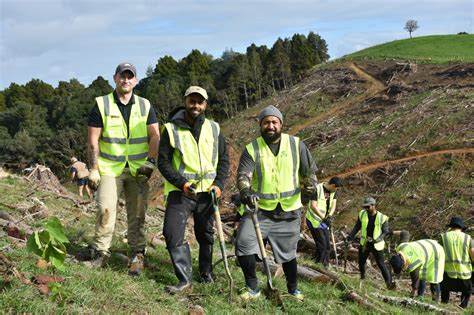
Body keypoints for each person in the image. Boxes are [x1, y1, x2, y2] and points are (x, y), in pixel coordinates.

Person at [235, 105, 318, 301]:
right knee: (243, 244)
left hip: (289, 211)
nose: (270, 125)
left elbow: (309, 174)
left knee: (288, 254)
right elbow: (243, 176)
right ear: (260, 125)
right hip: (258, 210)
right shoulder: (252, 148)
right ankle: (252, 287)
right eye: (266, 122)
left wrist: (310, 187)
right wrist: (245, 191)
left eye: (274, 122)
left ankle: (293, 289)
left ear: (281, 124)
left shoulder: (297, 145)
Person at [86, 62, 160, 276]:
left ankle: (137, 256)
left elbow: (155, 135)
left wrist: (151, 161)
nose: (126, 80)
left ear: (135, 81)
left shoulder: (145, 105)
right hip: (110, 168)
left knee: (138, 215)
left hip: (138, 170)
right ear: (115, 78)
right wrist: (93, 168)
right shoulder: (101, 105)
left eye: (130, 77)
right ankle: (100, 253)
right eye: (122, 76)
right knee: (105, 209)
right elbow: (93, 140)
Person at [158, 86, 229, 294]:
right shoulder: (170, 129)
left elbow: (223, 160)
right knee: (172, 232)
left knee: (205, 234)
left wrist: (219, 184)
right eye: (192, 101)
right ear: (185, 101)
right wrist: (182, 184)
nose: (196, 105)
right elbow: (163, 163)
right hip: (181, 192)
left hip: (208, 193)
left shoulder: (214, 128)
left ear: (205, 105)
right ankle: (184, 280)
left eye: (200, 102)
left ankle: (206, 273)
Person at [348, 197, 394, 289]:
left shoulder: (382, 217)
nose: (366, 209)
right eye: (365, 207)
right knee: (361, 261)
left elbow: (385, 231)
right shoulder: (362, 214)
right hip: (365, 243)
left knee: (381, 264)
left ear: (373, 205)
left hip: (377, 245)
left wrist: (379, 238)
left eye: (368, 207)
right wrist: (350, 236)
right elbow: (357, 226)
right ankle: (362, 278)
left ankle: (389, 285)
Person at [390, 236, 445, 301]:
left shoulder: (413, 263)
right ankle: (420, 296)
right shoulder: (401, 247)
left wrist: (412, 293)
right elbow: (405, 233)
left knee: (434, 278)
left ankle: (435, 300)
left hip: (436, 252)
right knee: (422, 275)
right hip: (427, 244)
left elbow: (415, 280)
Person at [304, 176, 343, 267]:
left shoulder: (333, 192)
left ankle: (321, 263)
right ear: (333, 185)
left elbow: (333, 205)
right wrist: (324, 218)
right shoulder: (317, 189)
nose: (337, 190)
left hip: (323, 222)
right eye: (337, 188)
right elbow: (313, 206)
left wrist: (329, 216)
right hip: (314, 220)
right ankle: (321, 266)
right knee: (322, 245)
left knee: (327, 245)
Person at [439, 217, 473, 308]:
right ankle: (463, 305)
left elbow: (439, 252)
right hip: (464, 271)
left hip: (447, 270)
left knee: (445, 288)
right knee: (467, 290)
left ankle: (444, 304)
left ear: (451, 227)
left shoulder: (444, 236)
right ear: (461, 228)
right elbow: (472, 252)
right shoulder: (467, 238)